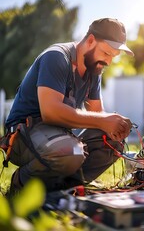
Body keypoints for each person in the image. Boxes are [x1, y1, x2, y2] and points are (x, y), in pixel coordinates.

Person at [5, 18, 134, 193]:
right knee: (71, 152)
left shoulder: (94, 70)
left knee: (111, 141)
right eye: (106, 53)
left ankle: (63, 189)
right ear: (90, 41)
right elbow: (50, 112)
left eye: (113, 56)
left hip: (57, 137)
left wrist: (113, 125)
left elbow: (97, 115)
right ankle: (21, 185)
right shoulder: (56, 57)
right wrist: (103, 120)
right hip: (24, 135)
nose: (109, 62)